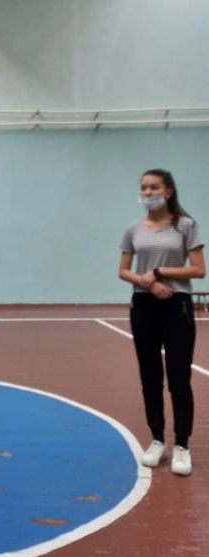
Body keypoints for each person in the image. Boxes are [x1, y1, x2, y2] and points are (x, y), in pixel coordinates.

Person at [119, 169, 205, 476]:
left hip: (176, 305)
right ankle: (158, 440)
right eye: (143, 188)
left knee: (179, 379)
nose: (147, 193)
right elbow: (123, 271)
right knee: (150, 377)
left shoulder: (185, 226)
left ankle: (182, 445)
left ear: (168, 191)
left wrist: (159, 273)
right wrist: (148, 282)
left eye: (153, 187)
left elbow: (198, 270)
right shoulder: (133, 229)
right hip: (143, 305)